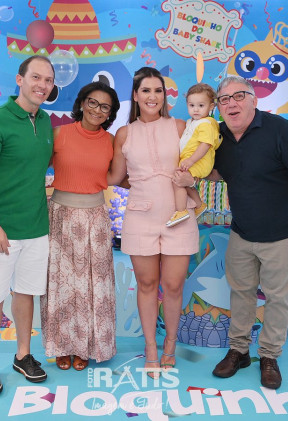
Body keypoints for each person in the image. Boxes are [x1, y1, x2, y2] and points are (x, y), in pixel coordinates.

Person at [204, 75, 288, 389]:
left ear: (254, 99)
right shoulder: (218, 136)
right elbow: (216, 172)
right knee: (241, 294)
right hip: (241, 234)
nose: (231, 103)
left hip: (282, 236)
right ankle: (239, 351)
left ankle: (269, 356)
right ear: (218, 107)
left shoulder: (280, 130)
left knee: (278, 298)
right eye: (224, 99)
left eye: (238, 96)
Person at [0, 55, 55, 397]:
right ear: (20, 80)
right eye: (36, 77)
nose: (42, 85)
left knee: (26, 293)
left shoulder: (45, 122)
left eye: (48, 80)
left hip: (35, 227)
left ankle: (23, 355)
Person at [108, 67, 199, 377]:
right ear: (135, 95)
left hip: (179, 215)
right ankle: (150, 347)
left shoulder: (180, 126)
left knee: (173, 286)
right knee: (146, 285)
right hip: (140, 217)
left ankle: (170, 345)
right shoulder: (124, 133)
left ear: (165, 95)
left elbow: (198, 165)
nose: (152, 96)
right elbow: (116, 177)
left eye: (158, 90)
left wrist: (190, 179)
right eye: (146, 90)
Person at [40, 82, 120, 371]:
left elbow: (117, 176)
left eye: (105, 106)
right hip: (60, 216)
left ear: (110, 113)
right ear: (83, 103)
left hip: (95, 218)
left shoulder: (112, 141)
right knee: (61, 284)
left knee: (92, 285)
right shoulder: (59, 133)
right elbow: (36, 168)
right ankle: (62, 345)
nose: (97, 110)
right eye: (93, 102)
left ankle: (85, 346)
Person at [167, 83, 222, 227]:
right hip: (193, 160)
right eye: (192, 105)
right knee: (186, 182)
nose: (196, 109)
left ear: (211, 106)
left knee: (178, 180)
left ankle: (181, 210)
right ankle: (199, 204)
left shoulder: (206, 124)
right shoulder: (193, 122)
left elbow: (205, 144)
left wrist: (191, 160)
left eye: (201, 105)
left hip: (199, 161)